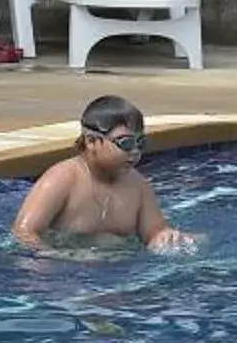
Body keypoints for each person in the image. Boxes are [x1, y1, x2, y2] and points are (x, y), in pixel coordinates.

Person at [10, 95, 194, 252]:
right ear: (91, 141)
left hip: (117, 273)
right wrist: (57, 259)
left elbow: (154, 232)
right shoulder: (62, 179)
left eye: (141, 142)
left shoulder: (138, 185)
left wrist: (167, 238)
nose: (135, 151)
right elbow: (24, 233)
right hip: (67, 275)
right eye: (126, 143)